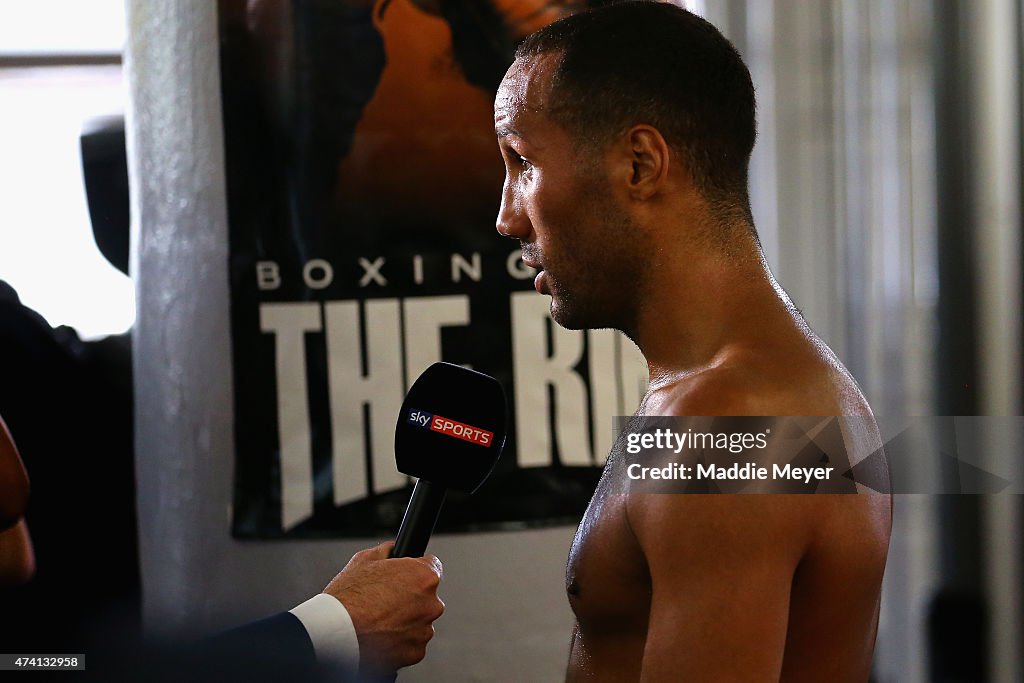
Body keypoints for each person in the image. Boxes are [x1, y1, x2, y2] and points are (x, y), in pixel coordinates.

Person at [493, 2, 891, 680]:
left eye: (523, 162)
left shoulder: (731, 415)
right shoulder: (744, 385)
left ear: (641, 165)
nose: (507, 217)